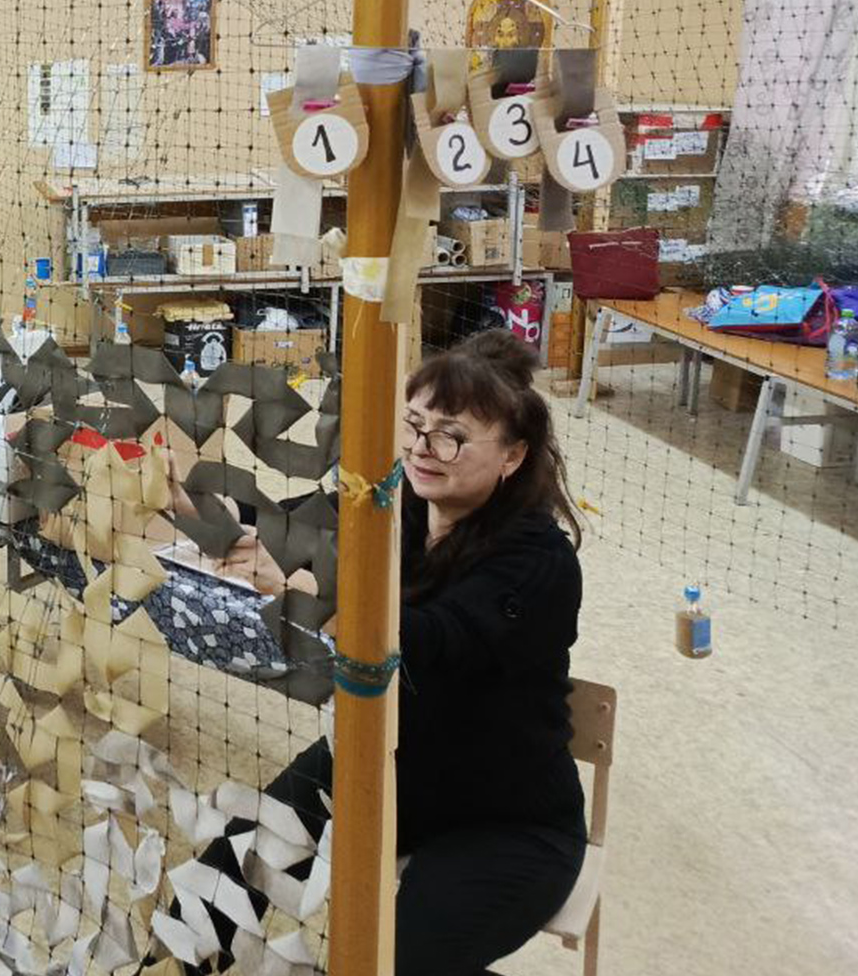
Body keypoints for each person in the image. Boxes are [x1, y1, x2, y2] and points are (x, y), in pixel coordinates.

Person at [179, 329, 585, 975]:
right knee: (210, 898)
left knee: (389, 962)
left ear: (512, 455)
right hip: (379, 763)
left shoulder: (539, 561)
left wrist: (307, 591)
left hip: (505, 821)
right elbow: (280, 523)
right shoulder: (393, 505)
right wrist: (178, 496)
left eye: (450, 436)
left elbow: (430, 641)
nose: (422, 448)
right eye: (414, 425)